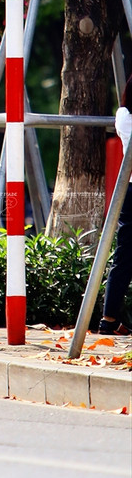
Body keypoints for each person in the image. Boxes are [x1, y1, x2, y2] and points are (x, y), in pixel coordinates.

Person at [99, 75, 132, 335]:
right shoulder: (124, 116)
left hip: (130, 191)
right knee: (124, 257)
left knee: (124, 257)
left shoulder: (124, 116)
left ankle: (109, 319)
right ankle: (108, 319)